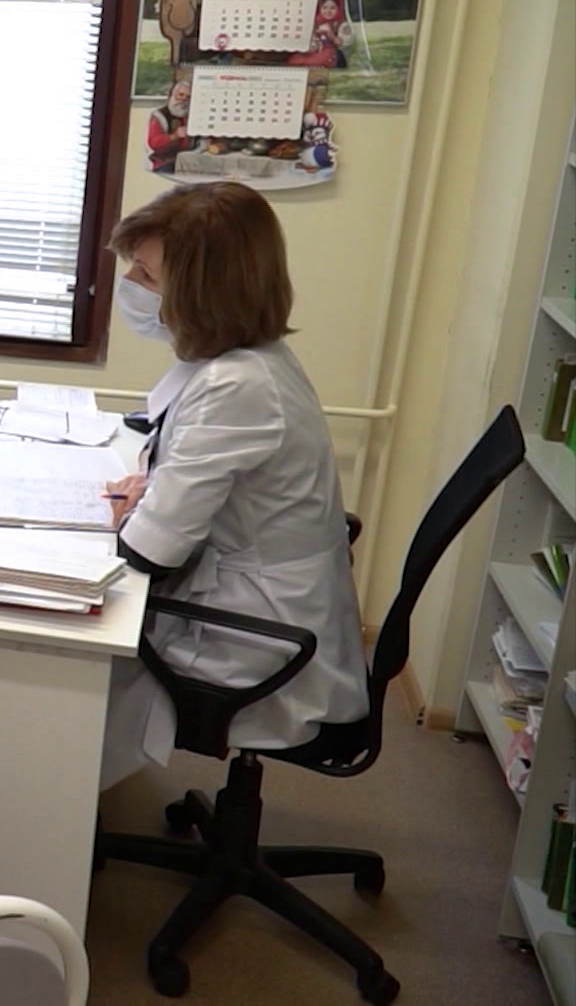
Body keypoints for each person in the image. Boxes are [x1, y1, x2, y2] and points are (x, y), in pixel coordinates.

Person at [99, 182, 367, 789]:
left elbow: (147, 554)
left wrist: (133, 515)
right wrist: (154, 491)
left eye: (146, 274)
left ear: (201, 291)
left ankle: (44, 819)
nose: (130, 284)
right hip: (266, 603)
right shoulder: (250, 361)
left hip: (259, 644)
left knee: (66, 654)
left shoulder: (238, 385)